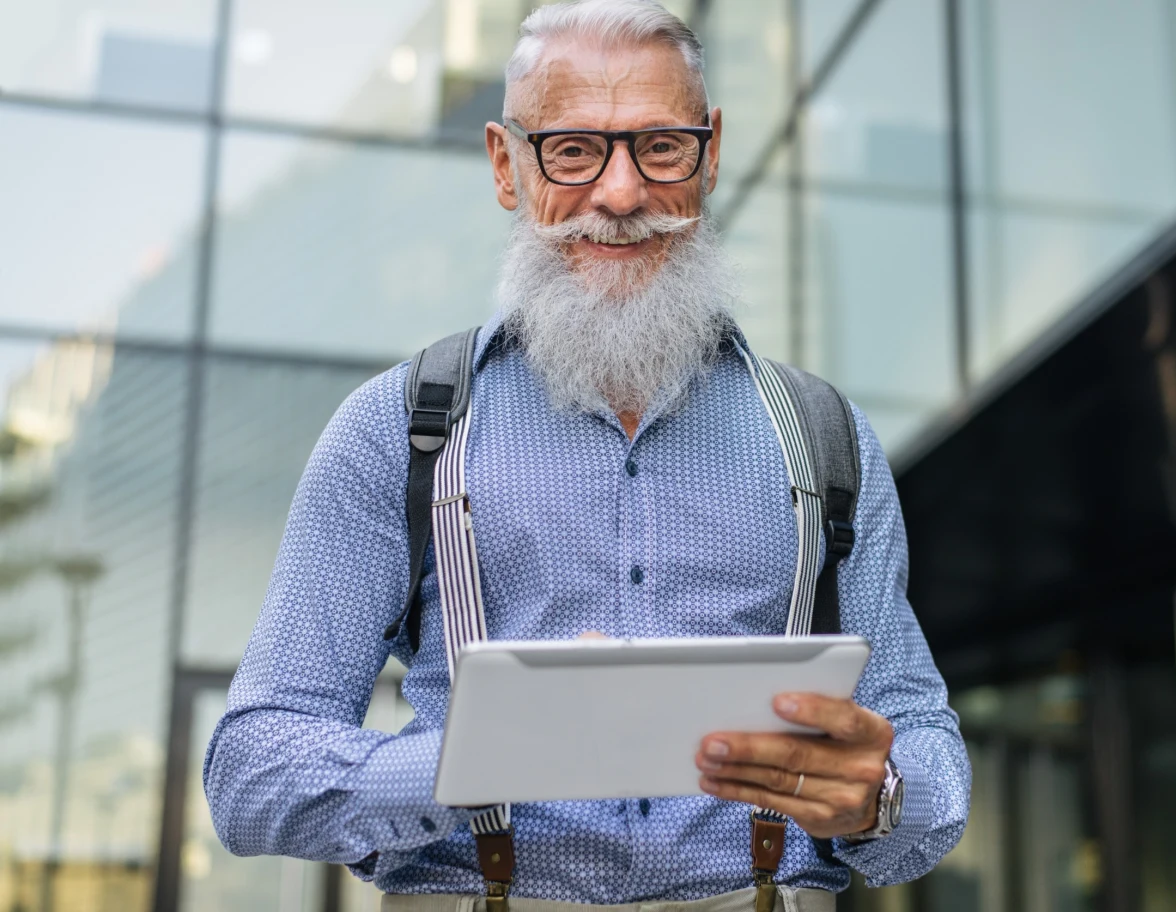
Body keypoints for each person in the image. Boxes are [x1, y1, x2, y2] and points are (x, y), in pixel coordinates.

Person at [203, 1, 969, 909]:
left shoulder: (825, 437)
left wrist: (881, 797)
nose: (620, 194)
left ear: (711, 155)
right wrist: (481, 757)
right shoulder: (396, 431)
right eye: (572, 151)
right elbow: (251, 771)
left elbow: (927, 747)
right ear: (507, 165)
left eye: (662, 148)